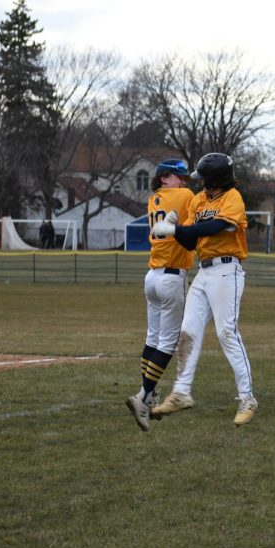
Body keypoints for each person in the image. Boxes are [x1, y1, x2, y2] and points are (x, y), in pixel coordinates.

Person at [150, 152, 258, 427]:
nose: (199, 183)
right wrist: (176, 229)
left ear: (215, 179)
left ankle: (247, 398)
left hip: (227, 270)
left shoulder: (232, 198)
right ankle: (181, 392)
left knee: (226, 332)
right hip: (204, 271)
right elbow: (189, 241)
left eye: (204, 179)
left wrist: (175, 229)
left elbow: (215, 226)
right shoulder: (198, 200)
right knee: (188, 331)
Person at [125, 159, 195, 431]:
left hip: (152, 275)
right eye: (179, 176)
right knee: (167, 343)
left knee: (152, 338)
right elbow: (192, 225)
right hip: (171, 276)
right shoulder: (185, 195)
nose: (184, 181)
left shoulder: (154, 198)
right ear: (165, 177)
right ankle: (143, 397)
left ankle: (148, 393)